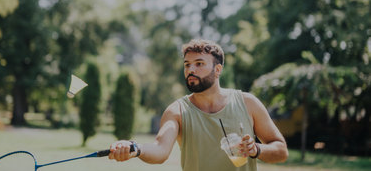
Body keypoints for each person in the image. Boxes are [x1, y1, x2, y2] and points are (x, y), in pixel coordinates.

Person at [108, 39, 288, 171]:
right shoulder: (176, 111)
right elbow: (160, 149)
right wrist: (135, 148)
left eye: (199, 64)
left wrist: (256, 149)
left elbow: (281, 150)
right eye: (187, 65)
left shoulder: (248, 103)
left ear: (217, 70)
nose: (191, 70)